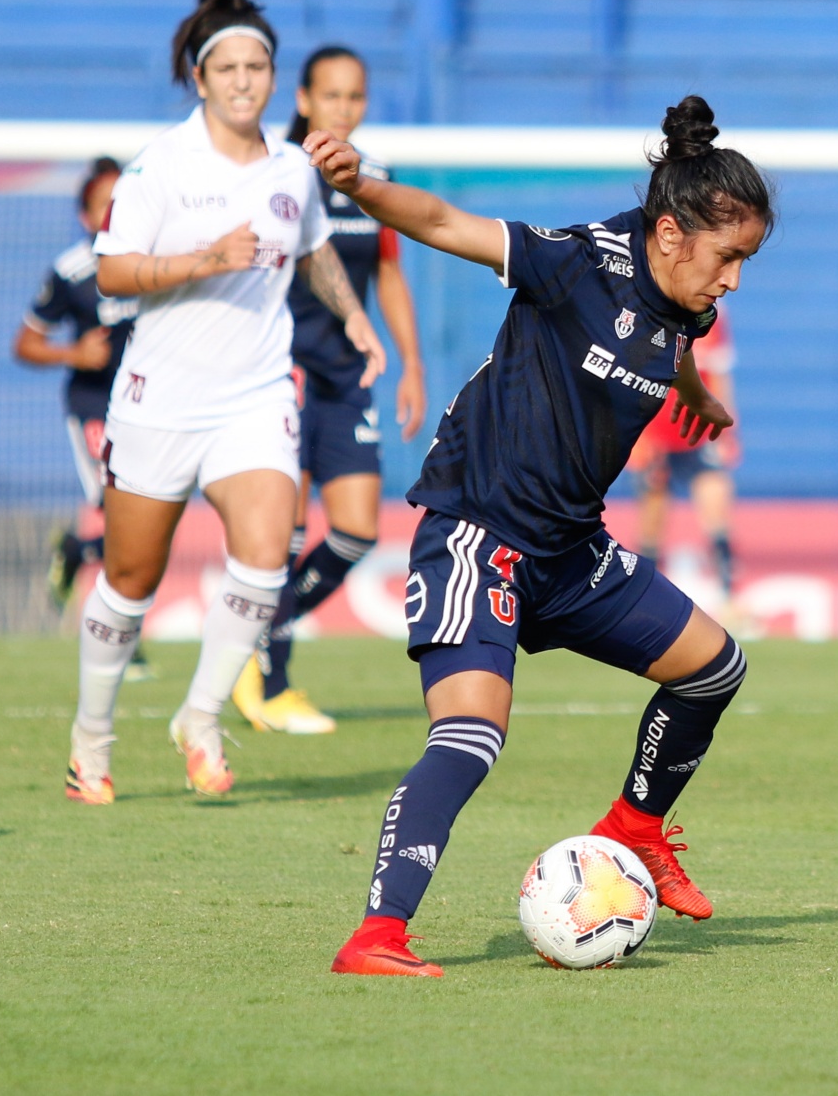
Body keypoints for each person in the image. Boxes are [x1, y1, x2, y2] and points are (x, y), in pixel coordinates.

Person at [308, 95, 771, 978]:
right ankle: (378, 934)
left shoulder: (689, 301)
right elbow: (444, 220)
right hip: (480, 533)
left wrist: (695, 392)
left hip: (568, 549)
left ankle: (635, 828)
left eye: (747, 259)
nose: (734, 280)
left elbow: (665, 336)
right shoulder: (573, 262)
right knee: (471, 737)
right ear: (670, 233)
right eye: (728, 257)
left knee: (714, 666)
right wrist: (359, 182)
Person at [64, 0, 384, 805]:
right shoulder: (161, 167)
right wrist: (206, 258)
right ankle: (91, 740)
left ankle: (200, 717)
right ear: (200, 78)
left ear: (274, 78)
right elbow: (113, 270)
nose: (244, 82)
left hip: (254, 396)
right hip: (160, 399)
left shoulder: (290, 167)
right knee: (131, 578)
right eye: (228, 69)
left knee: (265, 555)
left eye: (258, 68)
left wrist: (353, 315)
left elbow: (311, 246)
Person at [230, 46, 427, 735]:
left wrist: (412, 362)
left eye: (356, 96)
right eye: (331, 95)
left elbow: (391, 275)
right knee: (282, 530)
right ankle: (271, 683)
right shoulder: (275, 170)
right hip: (279, 369)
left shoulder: (375, 177)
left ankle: (257, 633)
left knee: (356, 529)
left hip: (348, 373)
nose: (344, 107)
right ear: (304, 99)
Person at [16, 159, 156, 678]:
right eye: (104, 205)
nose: (115, 212)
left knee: (154, 512)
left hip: (150, 404)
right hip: (95, 407)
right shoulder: (73, 271)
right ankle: (124, 641)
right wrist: (72, 354)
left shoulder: (155, 258)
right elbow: (25, 343)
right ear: (84, 215)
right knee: (123, 511)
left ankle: (77, 550)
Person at [626, 308, 739, 610]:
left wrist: (729, 428)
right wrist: (637, 436)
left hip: (699, 428)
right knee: (652, 515)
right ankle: (643, 601)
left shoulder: (713, 312)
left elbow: (719, 370)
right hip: (653, 429)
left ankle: (729, 596)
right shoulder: (644, 305)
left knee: (716, 502)